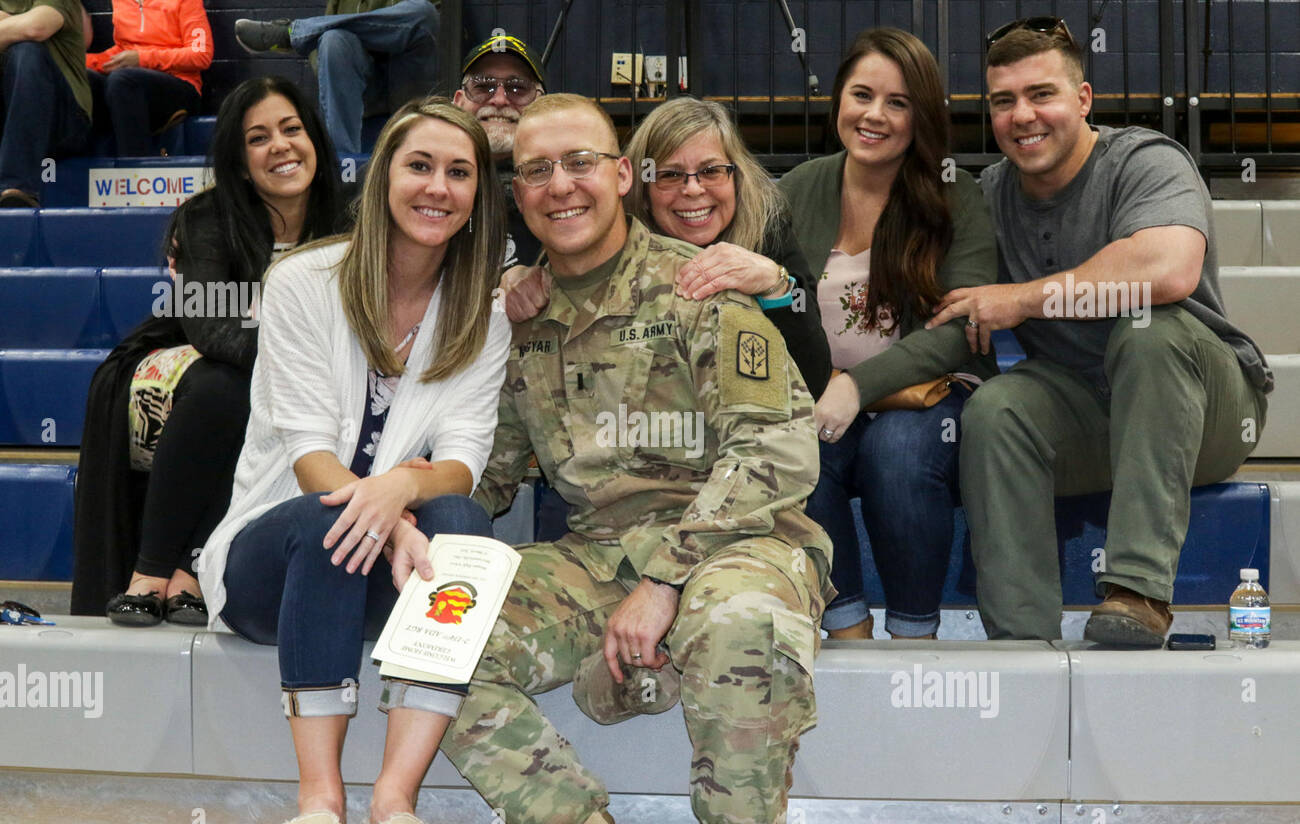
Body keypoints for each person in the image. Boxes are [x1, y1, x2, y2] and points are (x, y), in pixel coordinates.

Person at [438, 93, 832, 824]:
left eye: (580, 163)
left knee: (736, 627)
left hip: (739, 538)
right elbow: (491, 471)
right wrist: (409, 517)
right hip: (596, 556)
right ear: (517, 195)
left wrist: (664, 578)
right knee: (436, 636)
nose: (561, 186)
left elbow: (775, 452)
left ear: (621, 175)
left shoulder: (698, 288)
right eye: (537, 170)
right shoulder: (520, 318)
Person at [196, 97, 509, 824]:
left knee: (464, 525)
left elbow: (464, 458)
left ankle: (395, 803)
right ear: (381, 180)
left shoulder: (483, 312)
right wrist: (390, 514)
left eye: (459, 173)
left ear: (476, 199)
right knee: (326, 518)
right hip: (273, 565)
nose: (438, 187)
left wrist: (401, 493)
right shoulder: (304, 280)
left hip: (389, 573)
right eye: (420, 166)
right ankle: (320, 799)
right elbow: (308, 454)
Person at [927, 18, 1271, 645]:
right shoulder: (992, 192)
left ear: (1083, 100)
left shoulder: (1146, 159)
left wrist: (1024, 299)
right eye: (1003, 101)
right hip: (1087, 413)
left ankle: (1137, 593)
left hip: (1203, 409)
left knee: (1148, 329)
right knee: (997, 408)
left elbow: (1167, 271)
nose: (1022, 115)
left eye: (1042, 94)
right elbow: (956, 300)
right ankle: (1021, 638)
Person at [72, 76, 344, 622]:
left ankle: (191, 571)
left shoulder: (355, 216)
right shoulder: (206, 218)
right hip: (202, 353)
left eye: (292, 129)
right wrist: (293, 360)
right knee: (228, 387)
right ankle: (153, 570)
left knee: (247, 391)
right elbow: (213, 329)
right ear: (241, 163)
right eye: (259, 138)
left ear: (314, 138)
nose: (281, 146)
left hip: (307, 363)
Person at [779, 28, 998, 641]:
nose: (875, 115)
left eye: (897, 102)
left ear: (921, 115)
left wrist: (856, 386)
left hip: (929, 396)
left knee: (895, 451)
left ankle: (914, 635)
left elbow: (960, 330)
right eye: (862, 95)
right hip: (822, 398)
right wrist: (825, 391)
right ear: (838, 102)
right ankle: (846, 628)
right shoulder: (795, 190)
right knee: (797, 447)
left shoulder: (957, 196)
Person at [500, 96, 831, 398]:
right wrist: (516, 277)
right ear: (638, 188)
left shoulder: (766, 229)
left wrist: (777, 288)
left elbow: (813, 380)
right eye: (670, 175)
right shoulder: (602, 238)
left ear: (736, 177)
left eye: (711, 171)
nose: (692, 189)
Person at [235, 0, 438, 155]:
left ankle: (290, 34)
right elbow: (322, 46)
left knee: (424, 12)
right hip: (361, 88)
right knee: (332, 38)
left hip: (409, 84)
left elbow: (438, 33)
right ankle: (343, 163)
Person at [452, 32, 545, 270]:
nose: (500, 100)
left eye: (518, 88)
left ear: (542, 105)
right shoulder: (427, 185)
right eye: (483, 86)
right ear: (458, 102)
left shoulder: (567, 187)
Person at [85, 0, 212, 156]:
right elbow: (124, 50)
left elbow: (200, 55)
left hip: (180, 87)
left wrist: (141, 59)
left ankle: (134, 169)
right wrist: (79, 62)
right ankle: (71, 167)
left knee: (122, 80)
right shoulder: (120, 2)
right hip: (129, 84)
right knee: (84, 78)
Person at [0, 0, 90, 207]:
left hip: (66, 121)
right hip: (11, 120)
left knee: (26, 49)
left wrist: (10, 25)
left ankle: (17, 188)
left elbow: (36, 28)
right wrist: (17, 26)